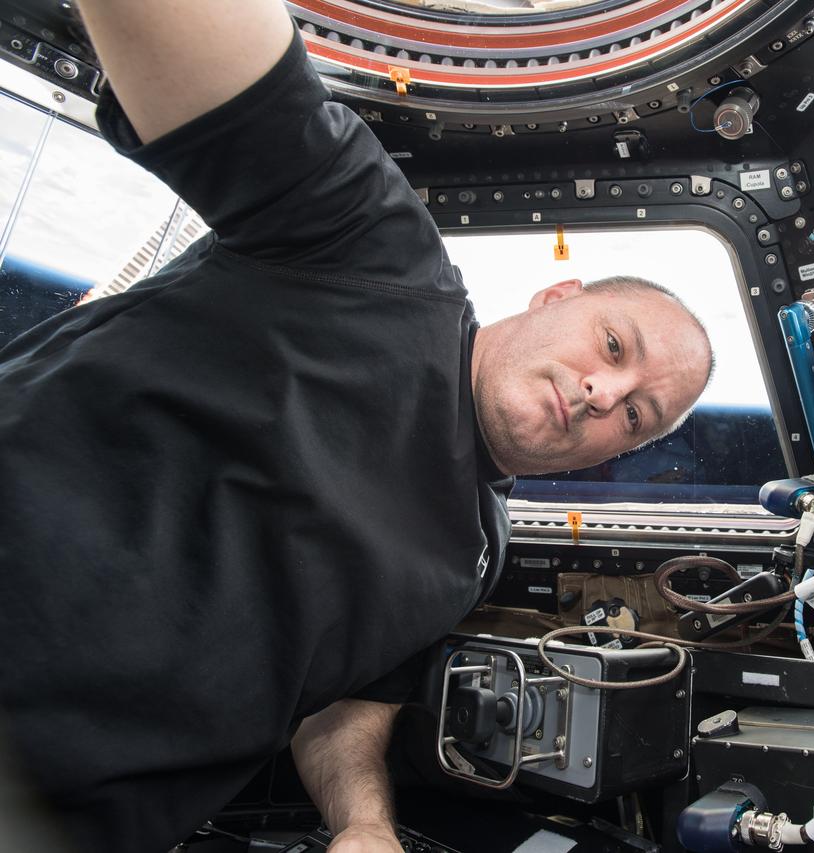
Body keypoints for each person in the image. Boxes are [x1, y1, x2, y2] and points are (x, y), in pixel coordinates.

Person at [0, 2, 713, 852]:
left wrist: (366, 822)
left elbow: (346, 700)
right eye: (612, 343)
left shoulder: (475, 554)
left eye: (637, 413)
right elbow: (227, 77)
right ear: (556, 296)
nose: (606, 391)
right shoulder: (375, 254)